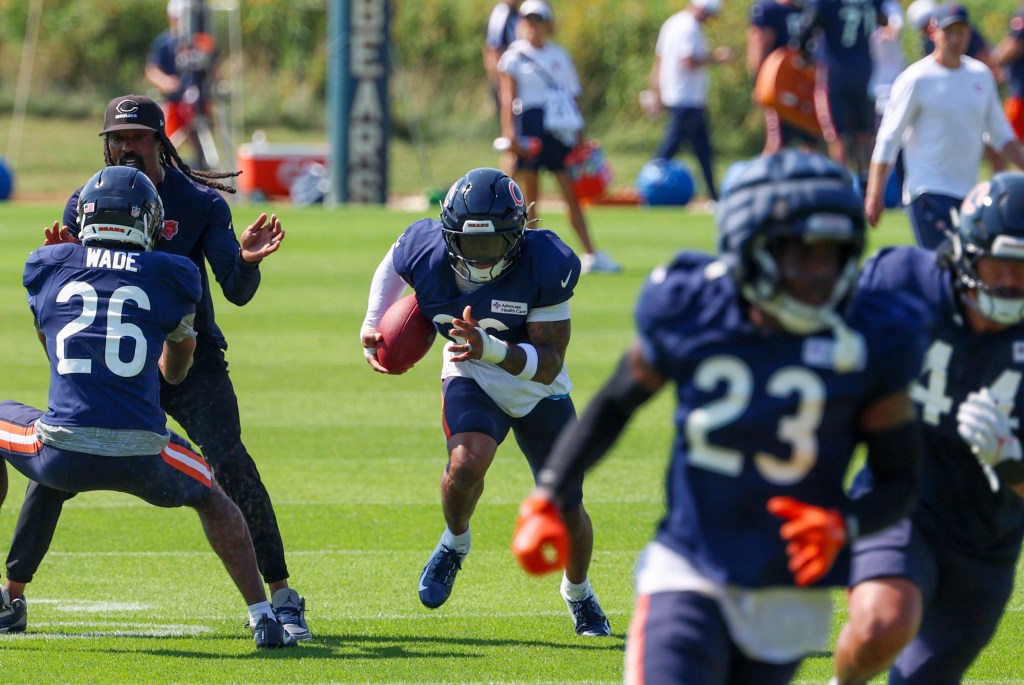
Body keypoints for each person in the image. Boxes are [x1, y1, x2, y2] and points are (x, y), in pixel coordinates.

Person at [512, 150, 930, 683]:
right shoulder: (696, 306)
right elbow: (616, 402)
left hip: (789, 588)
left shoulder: (874, 335)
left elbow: (900, 478)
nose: (819, 271)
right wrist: (549, 495)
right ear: (749, 246)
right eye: (800, 252)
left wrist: (844, 524)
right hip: (690, 566)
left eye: (833, 253)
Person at [0, 94, 311, 643]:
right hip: (117, 363)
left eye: (138, 137)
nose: (127, 147)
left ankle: (282, 598)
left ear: (161, 142)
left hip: (190, 357)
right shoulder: (87, 200)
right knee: (56, 466)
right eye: (118, 139)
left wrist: (246, 262)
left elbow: (236, 291)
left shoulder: (199, 202)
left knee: (230, 466)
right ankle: (13, 594)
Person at [360, 167, 611, 637]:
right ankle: (455, 542)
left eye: (492, 242)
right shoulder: (425, 247)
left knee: (567, 505)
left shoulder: (546, 261)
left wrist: (490, 348)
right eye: (470, 242)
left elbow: (550, 363)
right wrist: (372, 322)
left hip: (535, 386)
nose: (480, 255)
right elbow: (392, 263)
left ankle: (578, 592)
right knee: (465, 464)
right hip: (469, 371)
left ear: (517, 235)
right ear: (449, 234)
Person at [832, 172, 1024, 684]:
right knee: (881, 625)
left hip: (987, 537)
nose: (1011, 282)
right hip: (901, 500)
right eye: (1000, 265)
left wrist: (1011, 463)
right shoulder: (901, 283)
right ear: (964, 254)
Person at [864, 3, 1024, 248]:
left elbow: (1001, 134)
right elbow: (889, 138)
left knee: (968, 268)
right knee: (938, 264)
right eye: (948, 32)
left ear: (969, 34)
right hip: (927, 192)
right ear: (933, 32)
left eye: (960, 32)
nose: (955, 39)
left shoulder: (980, 75)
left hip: (970, 195)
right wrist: (875, 193)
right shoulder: (916, 78)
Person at [497, 0, 621, 274]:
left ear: (547, 24)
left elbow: (572, 97)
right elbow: (508, 98)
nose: (533, 26)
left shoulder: (559, 56)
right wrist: (510, 134)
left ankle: (591, 253)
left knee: (571, 193)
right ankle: (528, 255)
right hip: (530, 124)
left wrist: (580, 136)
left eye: (538, 20)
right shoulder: (514, 56)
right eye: (529, 20)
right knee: (530, 195)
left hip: (558, 127)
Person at [649, 0, 734, 205]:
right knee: (672, 148)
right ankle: (649, 186)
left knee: (700, 149)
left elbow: (658, 60)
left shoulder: (672, 23)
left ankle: (713, 195)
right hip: (687, 98)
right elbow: (688, 61)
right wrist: (717, 58)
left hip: (677, 95)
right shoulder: (690, 27)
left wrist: (655, 91)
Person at [796, 0, 886, 183]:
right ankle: (867, 184)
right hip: (865, 68)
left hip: (835, 70)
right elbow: (882, 18)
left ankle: (841, 184)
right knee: (865, 134)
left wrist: (804, 53)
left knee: (837, 135)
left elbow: (809, 25)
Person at [145, 0, 219, 169]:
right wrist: (166, 82)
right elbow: (152, 69)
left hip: (198, 100)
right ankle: (168, 169)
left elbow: (212, 66)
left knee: (202, 140)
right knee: (170, 142)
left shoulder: (200, 41)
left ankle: (202, 169)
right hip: (175, 101)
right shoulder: (165, 41)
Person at [747, 0, 817, 154]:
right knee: (777, 141)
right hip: (779, 82)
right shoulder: (769, 9)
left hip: (804, 84)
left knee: (811, 143)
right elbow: (759, 45)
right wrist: (758, 82)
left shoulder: (807, 8)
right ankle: (769, 170)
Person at [992, 1, 1024, 141]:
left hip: (1020, 92)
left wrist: (994, 61)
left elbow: (1013, 45)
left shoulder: (1022, 14)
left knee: (1010, 138)